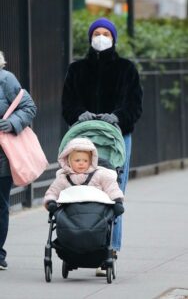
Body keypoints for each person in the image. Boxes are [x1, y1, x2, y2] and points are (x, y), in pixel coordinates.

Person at [61, 17, 143, 274]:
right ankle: (77, 242)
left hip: (116, 137)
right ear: (90, 37)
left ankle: (110, 248)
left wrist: (118, 117)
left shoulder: (126, 69)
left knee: (113, 189)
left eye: (105, 33)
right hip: (84, 137)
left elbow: (134, 105)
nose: (101, 37)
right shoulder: (77, 70)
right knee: (78, 187)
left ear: (113, 38)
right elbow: (68, 103)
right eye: (96, 32)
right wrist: (80, 114)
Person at [0, 51, 37, 270]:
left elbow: (29, 107)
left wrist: (13, 123)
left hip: (2, 157)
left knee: (0, 207)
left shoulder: (6, 79)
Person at [44, 137, 124, 216]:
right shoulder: (63, 178)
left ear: (91, 161)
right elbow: (53, 191)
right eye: (77, 160)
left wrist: (117, 201)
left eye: (85, 161)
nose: (81, 163)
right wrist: (51, 201)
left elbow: (111, 187)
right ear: (69, 161)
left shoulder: (100, 174)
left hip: (97, 214)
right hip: (70, 216)